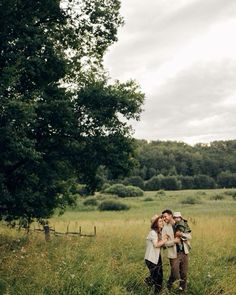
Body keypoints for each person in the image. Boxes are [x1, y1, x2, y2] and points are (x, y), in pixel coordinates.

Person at [162, 209, 192, 294]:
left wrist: (181, 234)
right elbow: (164, 244)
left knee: (184, 274)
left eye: (165, 216)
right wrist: (173, 242)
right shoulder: (165, 228)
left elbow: (189, 236)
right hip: (174, 254)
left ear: (171, 216)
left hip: (184, 253)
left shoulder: (182, 224)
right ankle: (169, 285)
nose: (164, 218)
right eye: (163, 217)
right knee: (175, 275)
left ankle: (182, 291)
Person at [144, 214, 168, 294]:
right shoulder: (153, 233)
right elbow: (156, 245)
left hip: (157, 257)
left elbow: (162, 245)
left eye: (162, 221)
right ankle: (145, 283)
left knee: (160, 277)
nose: (162, 223)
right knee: (155, 277)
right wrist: (165, 240)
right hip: (151, 258)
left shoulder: (159, 232)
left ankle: (157, 292)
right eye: (160, 221)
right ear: (155, 223)